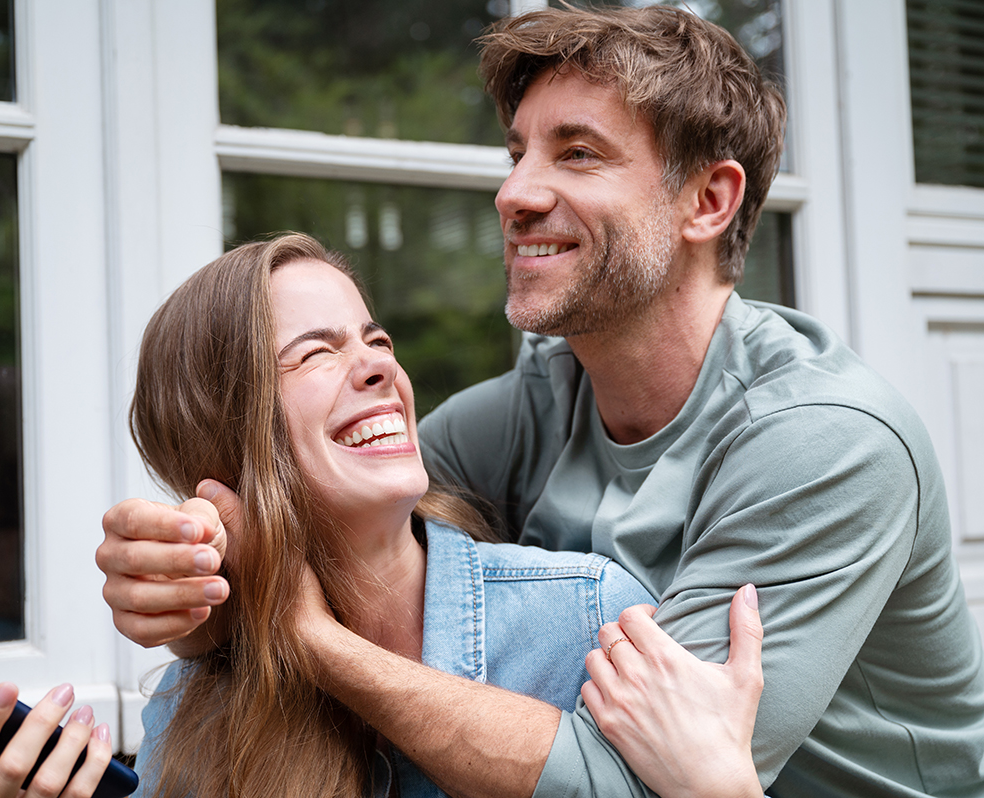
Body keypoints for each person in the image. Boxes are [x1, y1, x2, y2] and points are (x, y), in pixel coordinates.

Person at [97, 6, 984, 798]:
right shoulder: (525, 413)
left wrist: (305, 638)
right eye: (517, 153)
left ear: (708, 198)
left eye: (576, 154)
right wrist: (196, 589)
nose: (514, 193)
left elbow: (639, 782)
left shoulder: (825, 443)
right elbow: (325, 510)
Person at [122, 233, 763, 798]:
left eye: (377, 340)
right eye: (316, 354)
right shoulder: (197, 697)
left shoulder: (590, 615)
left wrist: (306, 634)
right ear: (222, 437)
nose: (380, 365)